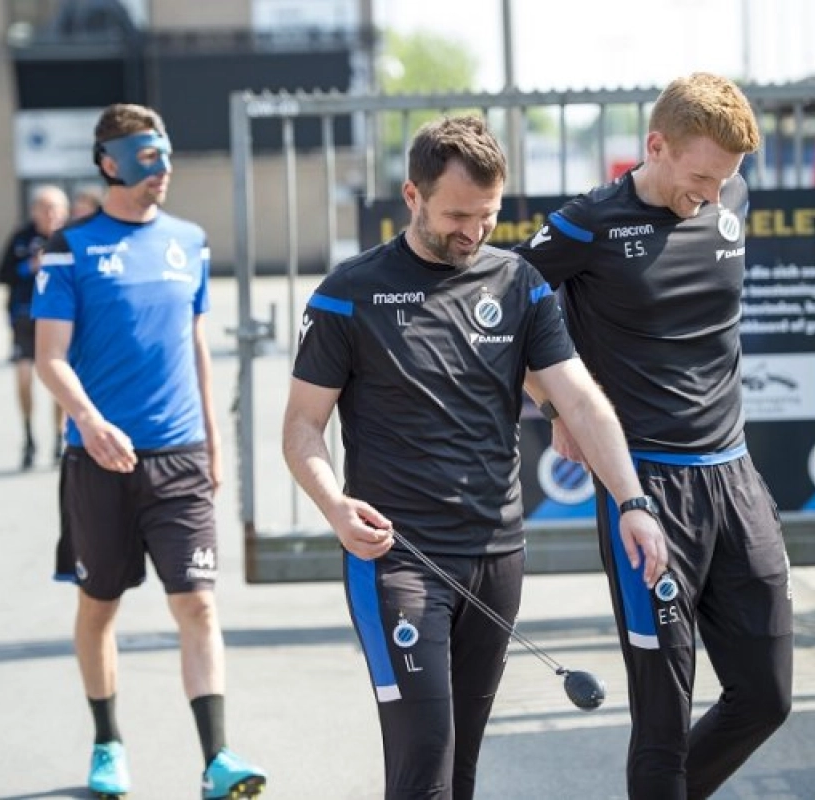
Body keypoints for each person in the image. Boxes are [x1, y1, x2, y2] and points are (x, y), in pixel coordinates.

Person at [282, 115, 668, 800]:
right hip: (396, 557)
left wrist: (633, 502)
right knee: (423, 758)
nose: (473, 232)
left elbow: (579, 398)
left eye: (487, 216)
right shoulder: (349, 293)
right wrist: (334, 507)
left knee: (459, 769)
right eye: (457, 215)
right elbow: (302, 428)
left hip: (496, 555)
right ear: (412, 196)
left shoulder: (518, 283)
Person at [513, 72, 793, 799]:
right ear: (656, 145)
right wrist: (558, 408)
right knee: (663, 722)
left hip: (736, 476)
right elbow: (493, 320)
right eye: (698, 175)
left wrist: (715, 186)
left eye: (724, 179)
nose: (709, 193)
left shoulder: (731, 195)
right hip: (646, 487)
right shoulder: (588, 222)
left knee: (766, 696)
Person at [32, 103, 265, 800]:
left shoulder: (188, 242)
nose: (160, 171)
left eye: (164, 156)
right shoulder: (68, 248)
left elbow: (194, 343)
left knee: (198, 604)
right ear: (108, 161)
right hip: (97, 461)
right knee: (99, 605)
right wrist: (89, 422)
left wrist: (215, 441)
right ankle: (108, 744)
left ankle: (217, 760)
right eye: (144, 157)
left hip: (181, 457)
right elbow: (49, 357)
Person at [0, 184, 68, 469]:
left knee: (59, 381)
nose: (50, 214)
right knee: (25, 377)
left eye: (55, 208)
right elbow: (2, 274)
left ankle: (59, 440)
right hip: (25, 318)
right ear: (34, 210)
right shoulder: (21, 238)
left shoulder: (70, 238)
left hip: (60, 319)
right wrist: (29, 267)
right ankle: (28, 436)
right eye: (44, 207)